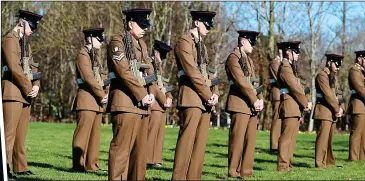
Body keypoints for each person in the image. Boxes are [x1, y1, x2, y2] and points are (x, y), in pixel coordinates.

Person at [106, 8, 155, 180]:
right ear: (130, 23)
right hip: (125, 102)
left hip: (142, 105)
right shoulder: (117, 42)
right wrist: (142, 94)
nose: (145, 28)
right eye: (141, 25)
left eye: (146, 25)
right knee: (121, 151)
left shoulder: (142, 45)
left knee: (139, 154)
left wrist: (152, 92)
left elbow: (150, 72)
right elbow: (123, 71)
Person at [172, 10, 219, 180]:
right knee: (186, 142)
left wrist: (214, 93)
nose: (208, 29)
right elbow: (192, 72)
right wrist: (208, 94)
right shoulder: (184, 42)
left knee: (199, 145)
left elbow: (207, 72)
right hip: (191, 98)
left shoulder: (201, 45)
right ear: (196, 22)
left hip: (204, 99)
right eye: (206, 25)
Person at [1, 9, 43, 178]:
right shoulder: (10, 40)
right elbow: (14, 68)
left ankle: (20, 166)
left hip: (25, 93)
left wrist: (37, 85)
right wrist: (28, 87)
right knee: (8, 133)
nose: (33, 30)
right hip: (12, 91)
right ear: (22, 21)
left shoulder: (25, 43)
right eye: (31, 26)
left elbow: (34, 66)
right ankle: (5, 167)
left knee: (21, 133)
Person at [225, 30, 264, 178]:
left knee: (250, 140)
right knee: (237, 139)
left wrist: (260, 98)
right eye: (251, 41)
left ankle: (246, 171)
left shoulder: (249, 60)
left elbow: (254, 82)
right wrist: (254, 100)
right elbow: (241, 82)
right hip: (240, 102)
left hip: (251, 104)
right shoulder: (233, 58)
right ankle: (233, 171)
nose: (253, 45)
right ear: (243, 41)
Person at [71, 27, 108, 172]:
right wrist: (102, 94)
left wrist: (108, 88)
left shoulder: (94, 56)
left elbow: (102, 75)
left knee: (95, 136)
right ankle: (78, 165)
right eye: (99, 39)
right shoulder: (83, 55)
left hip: (97, 101)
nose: (101, 42)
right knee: (82, 135)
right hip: (87, 99)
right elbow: (88, 77)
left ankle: (91, 164)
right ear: (90, 38)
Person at [276, 41, 312, 172]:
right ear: (288, 52)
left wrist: (305, 101)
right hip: (289, 105)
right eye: (296, 52)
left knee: (291, 138)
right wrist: (305, 103)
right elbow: (295, 88)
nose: (298, 55)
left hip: (294, 106)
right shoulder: (285, 67)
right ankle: (282, 165)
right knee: (286, 137)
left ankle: (287, 164)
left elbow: (299, 87)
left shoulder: (290, 68)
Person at [313, 53, 344, 168]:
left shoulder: (333, 77)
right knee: (323, 138)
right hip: (324, 110)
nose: (338, 68)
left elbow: (339, 93)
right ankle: (319, 163)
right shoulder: (322, 75)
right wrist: (337, 109)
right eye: (336, 65)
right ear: (329, 62)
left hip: (332, 111)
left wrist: (342, 108)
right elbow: (328, 95)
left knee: (330, 139)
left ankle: (329, 162)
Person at [147, 40, 173, 167]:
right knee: (152, 132)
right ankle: (148, 159)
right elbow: (153, 85)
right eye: (162, 55)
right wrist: (164, 99)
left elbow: (165, 84)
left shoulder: (159, 66)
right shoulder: (150, 64)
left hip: (162, 104)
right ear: (156, 52)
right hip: (155, 104)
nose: (163, 58)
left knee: (160, 133)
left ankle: (156, 158)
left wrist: (170, 97)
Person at [348, 50, 365, 161]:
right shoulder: (355, 70)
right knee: (357, 133)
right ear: (360, 58)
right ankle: (354, 158)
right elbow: (360, 88)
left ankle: (362, 157)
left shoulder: (362, 72)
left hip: (363, 105)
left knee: (363, 134)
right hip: (358, 104)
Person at [269, 46, 283, 153]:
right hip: (277, 95)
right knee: (277, 119)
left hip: (283, 94)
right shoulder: (275, 63)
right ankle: (274, 146)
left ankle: (280, 144)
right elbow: (280, 78)